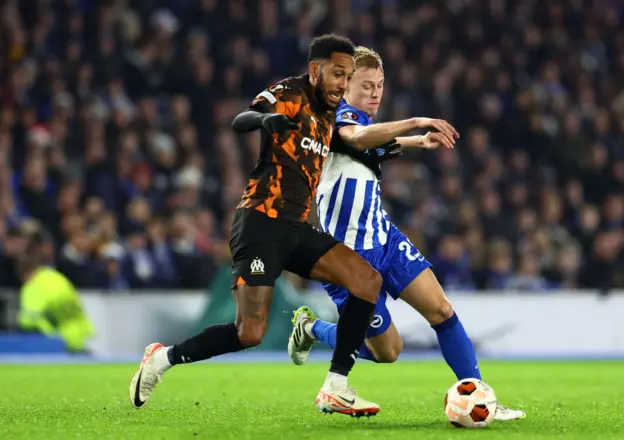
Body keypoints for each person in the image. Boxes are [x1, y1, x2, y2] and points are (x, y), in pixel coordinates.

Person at [128, 35, 453, 417]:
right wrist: (267, 120)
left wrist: (414, 140)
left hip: (296, 228)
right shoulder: (289, 92)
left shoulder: (332, 115)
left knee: (367, 281)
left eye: (347, 76)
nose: (341, 84)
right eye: (337, 74)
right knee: (249, 333)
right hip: (260, 223)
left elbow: (362, 145)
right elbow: (241, 119)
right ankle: (162, 358)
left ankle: (336, 385)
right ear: (315, 70)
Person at [287, 47, 525, 421]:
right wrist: (415, 122)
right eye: (366, 85)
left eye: (380, 85)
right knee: (387, 351)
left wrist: (417, 142)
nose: (375, 93)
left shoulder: (364, 124)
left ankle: (482, 398)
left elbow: (370, 146)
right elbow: (357, 139)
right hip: (347, 259)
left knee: (442, 311)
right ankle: (311, 328)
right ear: (346, 85)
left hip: (386, 240)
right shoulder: (334, 117)